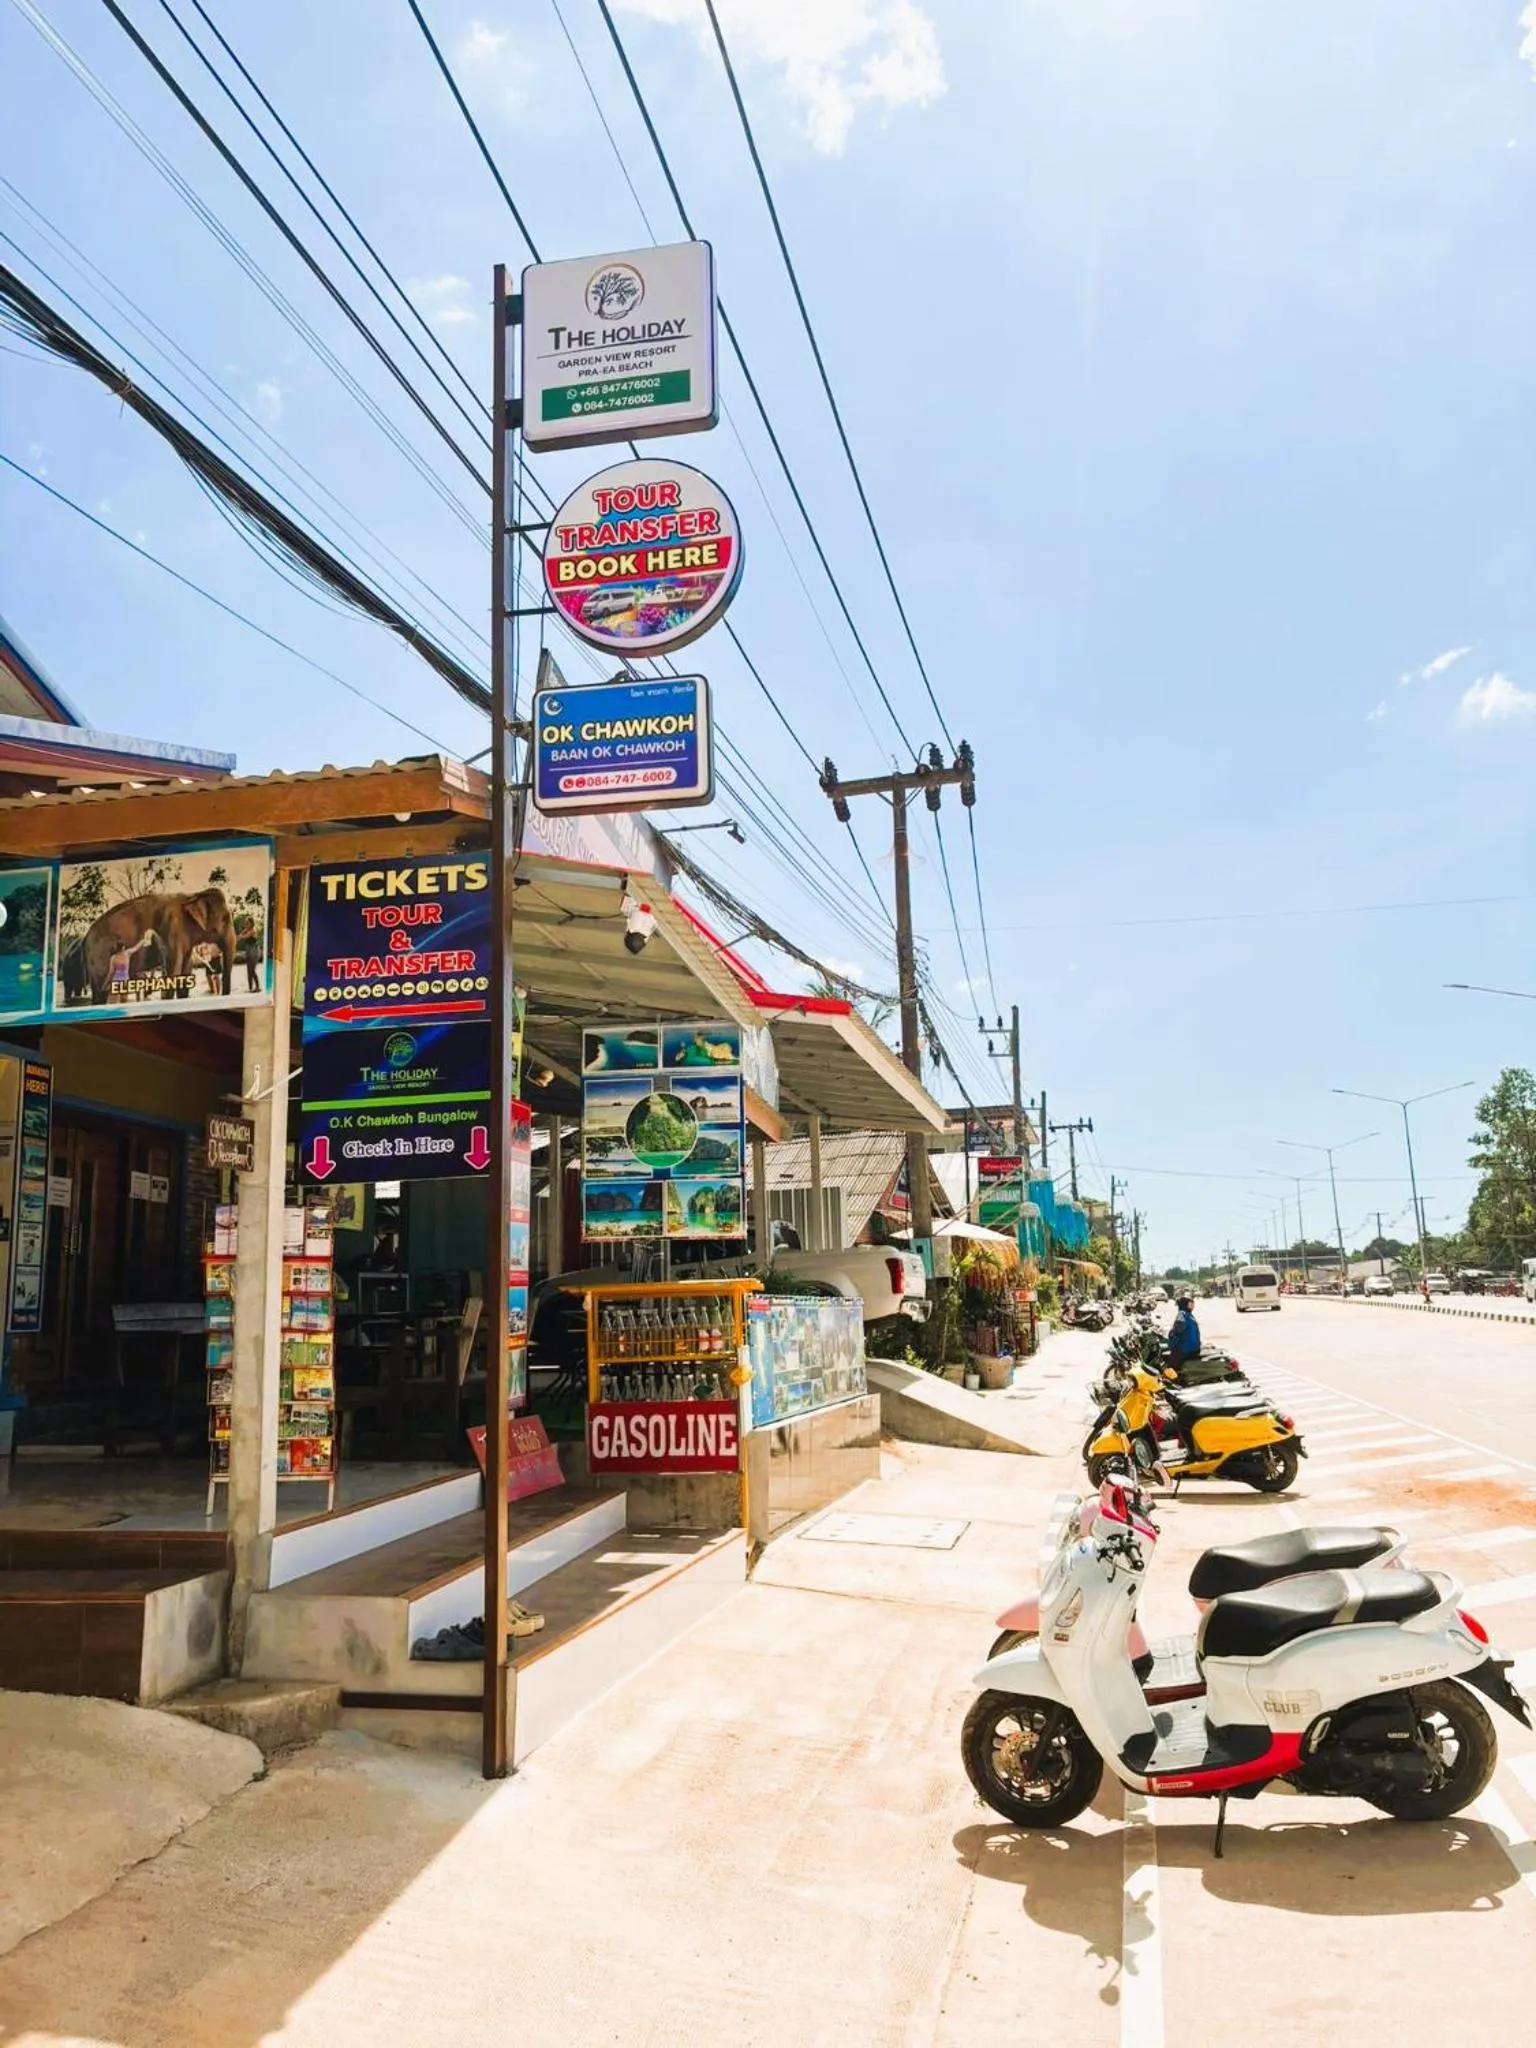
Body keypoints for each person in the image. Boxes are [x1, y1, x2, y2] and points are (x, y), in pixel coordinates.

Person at [1167, 1289, 1202, 1366]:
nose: (1192, 1306)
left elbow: (1180, 1327)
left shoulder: (1182, 1314)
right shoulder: (1189, 1315)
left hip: (1186, 1349)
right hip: (1195, 1348)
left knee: (1169, 1363)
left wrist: (1172, 1332)